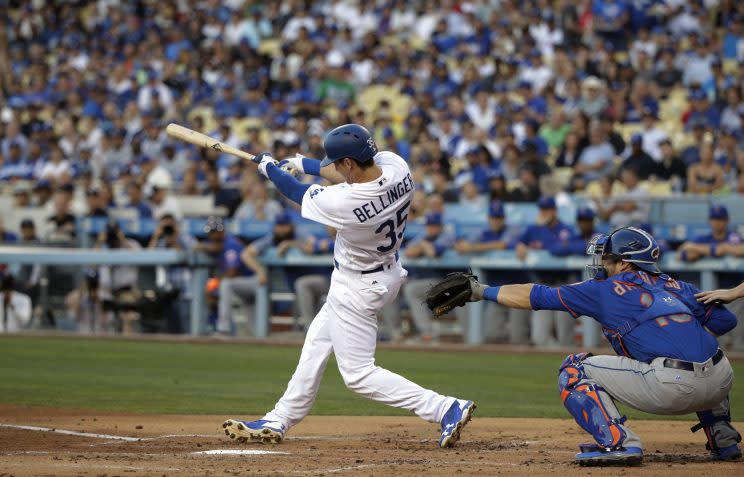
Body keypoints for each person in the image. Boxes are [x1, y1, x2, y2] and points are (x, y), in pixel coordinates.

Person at [223, 124, 474, 448]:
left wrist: (269, 167)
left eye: (339, 162)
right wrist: (302, 164)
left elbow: (297, 192)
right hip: (381, 273)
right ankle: (280, 418)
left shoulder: (347, 201)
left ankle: (444, 407)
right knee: (316, 341)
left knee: (358, 375)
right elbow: (347, 173)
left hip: (358, 286)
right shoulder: (398, 167)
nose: (338, 167)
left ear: (349, 163)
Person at [460, 226, 740, 464]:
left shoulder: (603, 290)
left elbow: (537, 296)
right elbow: (724, 323)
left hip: (672, 386)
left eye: (608, 259)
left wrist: (482, 291)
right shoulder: (680, 286)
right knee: (705, 352)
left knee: (574, 369)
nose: (602, 264)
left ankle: (619, 443)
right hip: (721, 381)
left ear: (626, 263)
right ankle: (723, 439)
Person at [455, 201, 530, 343]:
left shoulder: (512, 230)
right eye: (494, 217)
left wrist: (473, 248)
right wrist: (467, 246)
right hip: (496, 291)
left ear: (504, 218)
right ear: (489, 218)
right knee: (493, 334)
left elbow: (502, 244)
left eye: (499, 217)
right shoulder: (483, 233)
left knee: (518, 338)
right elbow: (461, 247)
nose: (496, 221)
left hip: (517, 289)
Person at [514, 197, 575, 347]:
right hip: (542, 285)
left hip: (563, 285)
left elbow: (560, 249)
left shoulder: (565, 229)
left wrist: (543, 231)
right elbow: (513, 243)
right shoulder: (533, 229)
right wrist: (520, 246)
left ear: (554, 211)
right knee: (539, 337)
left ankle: (571, 366)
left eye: (547, 209)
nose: (544, 213)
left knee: (565, 337)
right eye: (542, 210)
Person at [195, 216, 263, 336]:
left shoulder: (231, 244)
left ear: (221, 231)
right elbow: (198, 246)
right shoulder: (217, 243)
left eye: (213, 232)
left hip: (254, 282)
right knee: (256, 332)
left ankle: (224, 328)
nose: (210, 235)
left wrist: (213, 285)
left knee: (226, 284)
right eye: (209, 232)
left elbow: (233, 272)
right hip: (242, 285)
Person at [402, 211, 456, 342]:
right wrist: (423, 246)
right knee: (391, 285)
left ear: (440, 226)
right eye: (429, 225)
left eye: (434, 225)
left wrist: (422, 246)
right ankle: (396, 333)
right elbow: (409, 252)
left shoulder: (447, 236)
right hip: (425, 280)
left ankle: (427, 333)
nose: (431, 228)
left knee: (412, 289)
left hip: (445, 280)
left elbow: (433, 252)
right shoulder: (424, 236)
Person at [148, 214, 195, 333]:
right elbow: (148, 257)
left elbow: (192, 258)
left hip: (187, 291)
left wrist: (176, 238)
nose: (168, 228)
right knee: (172, 330)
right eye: (165, 226)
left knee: (187, 329)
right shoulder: (162, 242)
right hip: (170, 292)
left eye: (170, 225)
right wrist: (156, 236)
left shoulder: (186, 238)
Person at [65, 269, 112, 334]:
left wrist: (99, 301)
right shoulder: (75, 296)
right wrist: (80, 297)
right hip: (83, 333)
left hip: (101, 333)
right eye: (90, 283)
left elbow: (108, 320)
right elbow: (74, 318)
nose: (92, 287)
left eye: (94, 283)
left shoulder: (106, 297)